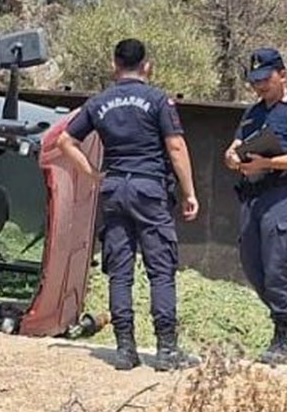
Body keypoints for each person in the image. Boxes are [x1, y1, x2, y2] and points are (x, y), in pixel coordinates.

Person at [57, 38, 200, 372]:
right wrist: (189, 192)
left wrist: (93, 175)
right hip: (149, 189)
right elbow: (176, 147)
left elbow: (66, 141)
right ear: (147, 66)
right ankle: (166, 351)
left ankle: (125, 349)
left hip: (114, 189)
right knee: (160, 269)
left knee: (119, 272)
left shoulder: (99, 102)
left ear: (114, 65)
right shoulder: (157, 100)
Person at [223, 47, 287, 365]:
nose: (260, 86)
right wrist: (232, 157)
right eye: (255, 81)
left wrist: (270, 161)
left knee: (279, 266)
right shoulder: (252, 113)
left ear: (283, 75)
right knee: (254, 267)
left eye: (265, 79)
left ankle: (283, 339)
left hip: (282, 196)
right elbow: (235, 147)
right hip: (252, 197)